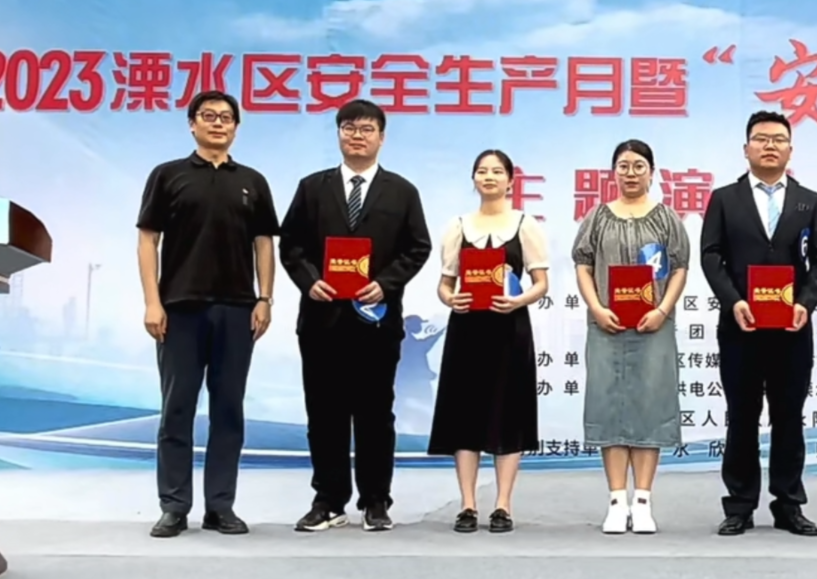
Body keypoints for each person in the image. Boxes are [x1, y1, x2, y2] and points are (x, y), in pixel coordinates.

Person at [279, 99, 432, 533]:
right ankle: (328, 500)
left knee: (375, 414)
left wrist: (385, 282)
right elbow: (291, 245)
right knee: (323, 413)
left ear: (381, 137)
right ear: (339, 134)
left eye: (366, 129)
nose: (357, 135)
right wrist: (309, 280)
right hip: (321, 320)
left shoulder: (402, 191)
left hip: (377, 322)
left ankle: (376, 500)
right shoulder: (312, 187)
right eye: (349, 128)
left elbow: (417, 248)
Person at [137, 90, 279, 538]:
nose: (218, 123)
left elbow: (263, 244)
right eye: (209, 116)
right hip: (179, 309)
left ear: (236, 127)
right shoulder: (168, 175)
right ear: (192, 123)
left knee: (228, 410)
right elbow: (148, 240)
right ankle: (174, 505)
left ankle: (220, 505)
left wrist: (265, 298)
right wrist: (152, 301)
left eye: (226, 117)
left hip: (237, 310)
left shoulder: (252, 181)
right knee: (176, 409)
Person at [700, 110, 817, 537]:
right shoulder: (725, 198)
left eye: (778, 139)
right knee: (742, 416)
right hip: (741, 326)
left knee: (789, 416)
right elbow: (710, 255)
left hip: (792, 328)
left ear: (790, 149)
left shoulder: (809, 200)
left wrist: (806, 303)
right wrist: (733, 301)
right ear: (746, 149)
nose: (770, 146)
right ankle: (739, 505)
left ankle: (788, 504)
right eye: (761, 139)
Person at [571, 140, 691, 535]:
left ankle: (642, 501)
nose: (631, 173)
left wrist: (662, 310)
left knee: (649, 406)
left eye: (639, 166)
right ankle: (615, 499)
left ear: (652, 172)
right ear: (614, 172)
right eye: (623, 166)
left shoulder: (666, 218)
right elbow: (583, 264)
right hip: (606, 326)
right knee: (609, 407)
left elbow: (680, 268)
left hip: (653, 326)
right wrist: (596, 307)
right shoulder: (597, 217)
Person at [428, 149, 550, 534]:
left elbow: (541, 283)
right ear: (474, 179)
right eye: (482, 171)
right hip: (467, 329)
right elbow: (445, 284)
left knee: (508, 413)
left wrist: (518, 300)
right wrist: (451, 299)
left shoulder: (525, 225)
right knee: (465, 415)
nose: (489, 177)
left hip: (509, 329)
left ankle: (502, 505)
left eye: (497, 171)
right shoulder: (458, 226)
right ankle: (467, 504)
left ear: (511, 180)